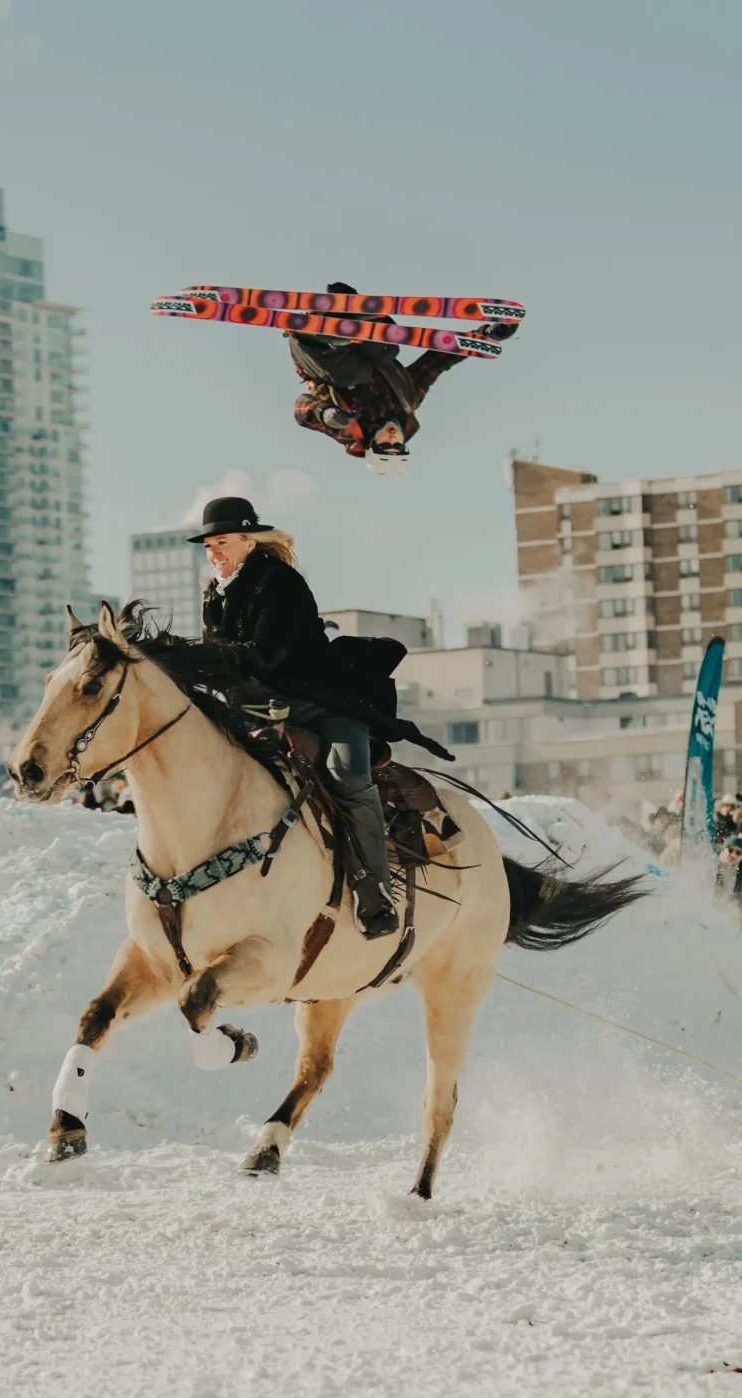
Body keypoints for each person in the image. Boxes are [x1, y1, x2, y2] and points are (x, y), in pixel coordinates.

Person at [191, 495, 448, 938]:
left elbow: (268, 657)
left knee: (347, 776)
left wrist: (198, 656)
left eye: (222, 542)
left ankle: (375, 894)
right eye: (209, 545)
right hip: (260, 704)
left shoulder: (280, 582)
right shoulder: (216, 593)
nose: (214, 552)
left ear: (250, 542)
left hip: (322, 700)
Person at [286, 283, 516, 475]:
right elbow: (437, 362)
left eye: (385, 445)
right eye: (398, 445)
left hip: (314, 354)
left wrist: (323, 413)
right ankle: (352, 316)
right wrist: (485, 337)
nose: (393, 438)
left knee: (356, 375)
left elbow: (300, 410)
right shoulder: (407, 400)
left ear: (372, 444)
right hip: (362, 341)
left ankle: (321, 330)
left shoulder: (347, 430)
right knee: (389, 352)